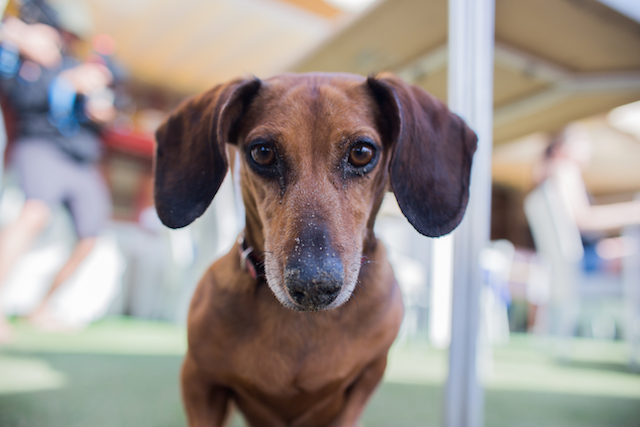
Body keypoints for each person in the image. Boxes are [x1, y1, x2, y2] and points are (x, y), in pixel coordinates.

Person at [0, 5, 115, 341]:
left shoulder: (74, 64)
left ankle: (41, 308)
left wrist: (100, 110)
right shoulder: (18, 66)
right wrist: (64, 82)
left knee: (91, 237)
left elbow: (102, 114)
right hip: (41, 147)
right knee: (34, 214)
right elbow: (24, 100)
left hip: (82, 159)